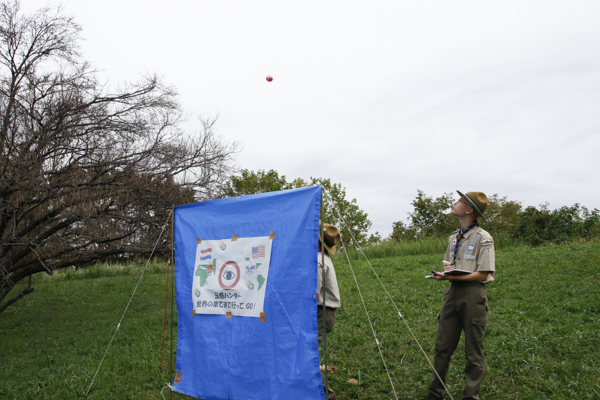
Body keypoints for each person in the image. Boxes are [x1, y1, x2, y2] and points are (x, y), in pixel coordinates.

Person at [425, 191, 495, 400]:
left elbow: (483, 273)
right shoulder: (454, 237)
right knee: (442, 346)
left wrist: (451, 276)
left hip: (473, 295)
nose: (455, 203)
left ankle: (470, 396)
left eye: (460, 201)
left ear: (468, 209)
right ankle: (435, 394)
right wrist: (448, 270)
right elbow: (452, 265)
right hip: (452, 292)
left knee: (473, 351)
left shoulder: (483, 238)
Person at [317, 222, 341, 400]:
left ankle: (327, 394)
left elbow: (313, 294)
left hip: (322, 312)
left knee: (306, 353)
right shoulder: (323, 258)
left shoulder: (318, 260)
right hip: (325, 312)